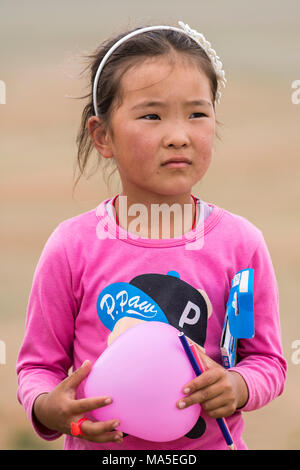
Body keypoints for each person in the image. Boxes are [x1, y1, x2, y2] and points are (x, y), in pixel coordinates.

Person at [16, 20, 287, 450]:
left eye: (197, 113)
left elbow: (268, 362)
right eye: (152, 115)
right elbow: (37, 368)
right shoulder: (72, 246)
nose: (178, 136)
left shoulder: (241, 244)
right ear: (102, 136)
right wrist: (50, 409)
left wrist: (237, 387)